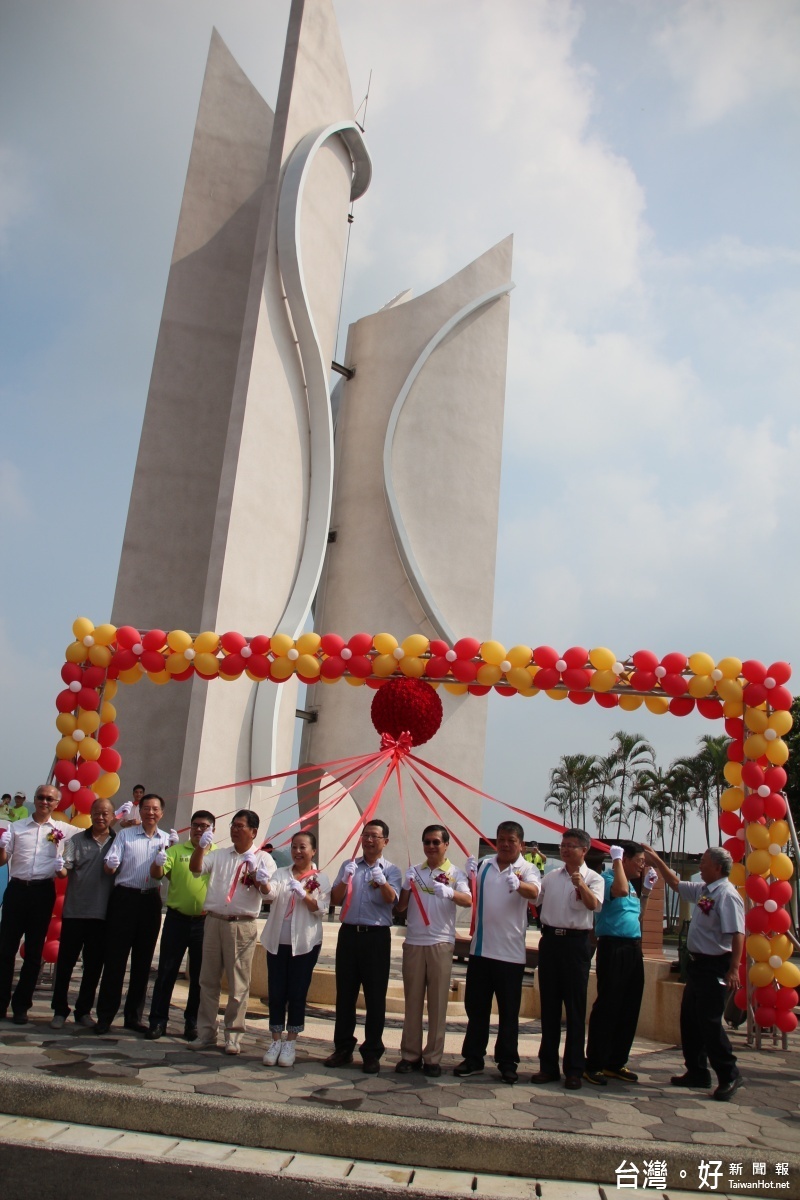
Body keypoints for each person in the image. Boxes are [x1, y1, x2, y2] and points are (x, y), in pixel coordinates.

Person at [643, 843, 745, 1102]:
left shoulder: (727, 895)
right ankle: (697, 1071)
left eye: (704, 863)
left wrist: (734, 968)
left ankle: (729, 1073)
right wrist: (657, 860)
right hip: (697, 965)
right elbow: (676, 884)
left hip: (716, 965)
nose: (700, 867)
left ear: (718, 868)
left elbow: (738, 934)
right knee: (690, 1019)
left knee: (710, 1022)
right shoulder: (704, 890)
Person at [454, 822, 541, 1085]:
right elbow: (466, 891)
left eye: (511, 840)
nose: (505, 844)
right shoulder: (484, 866)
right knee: (476, 1009)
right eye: (501, 839)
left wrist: (519, 884)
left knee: (508, 1013)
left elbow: (535, 894)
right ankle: (473, 1058)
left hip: (511, 955)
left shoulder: (528, 869)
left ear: (521, 845)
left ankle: (507, 1062)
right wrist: (466, 877)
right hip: (481, 950)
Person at [190, 809, 276, 1054]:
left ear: (253, 832)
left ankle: (234, 1035)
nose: (235, 830)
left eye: (240, 826)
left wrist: (258, 878)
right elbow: (196, 869)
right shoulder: (219, 855)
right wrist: (200, 848)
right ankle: (205, 1032)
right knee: (207, 980)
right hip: (214, 921)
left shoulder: (263, 859)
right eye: (233, 825)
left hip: (242, 925)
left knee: (238, 983)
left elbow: (268, 895)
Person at [324, 819, 402, 1074]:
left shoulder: (391, 870)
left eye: (374, 836)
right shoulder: (350, 866)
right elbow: (334, 900)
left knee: (375, 996)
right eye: (365, 835)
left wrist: (382, 882)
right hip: (349, 934)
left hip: (376, 937)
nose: (369, 840)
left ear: (385, 841)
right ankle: (343, 1048)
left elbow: (393, 902)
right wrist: (345, 880)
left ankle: (372, 1052)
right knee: (345, 994)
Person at [94, 793, 176, 1035]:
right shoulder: (125, 836)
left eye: (155, 809)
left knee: (142, 962)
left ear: (161, 813)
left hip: (150, 900)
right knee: (115, 960)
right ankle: (105, 1015)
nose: (150, 813)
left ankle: (133, 1016)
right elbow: (110, 866)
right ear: (139, 811)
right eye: (146, 808)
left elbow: (170, 872)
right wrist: (111, 863)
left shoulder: (166, 840)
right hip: (124, 899)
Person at [394, 825, 471, 1078]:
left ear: (446, 845)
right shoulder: (415, 871)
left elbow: (468, 900)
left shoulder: (456, 873)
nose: (431, 846)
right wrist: (406, 886)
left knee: (438, 1004)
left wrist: (450, 892)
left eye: (436, 842)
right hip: (415, 942)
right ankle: (410, 1054)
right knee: (412, 1002)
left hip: (441, 942)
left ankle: (433, 1057)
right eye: (427, 842)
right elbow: (401, 908)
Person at [532, 828, 604, 1090]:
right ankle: (547, 1066)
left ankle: (574, 1068)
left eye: (571, 846)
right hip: (551, 941)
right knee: (549, 1007)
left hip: (577, 944)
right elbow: (534, 897)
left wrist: (580, 884)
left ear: (584, 850)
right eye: (563, 845)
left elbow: (594, 905)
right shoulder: (550, 877)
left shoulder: (594, 878)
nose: (564, 850)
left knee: (575, 1008)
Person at [0, 784, 72, 1023]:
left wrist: (122, 820)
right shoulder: (17, 827)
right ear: (35, 799)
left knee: (33, 953)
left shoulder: (61, 829)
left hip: (42, 892)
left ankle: (21, 1005)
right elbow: (2, 861)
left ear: (56, 803)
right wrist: (1, 845)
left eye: (50, 799)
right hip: (17, 890)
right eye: (41, 797)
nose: (44, 802)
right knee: (5, 950)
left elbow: (94, 830)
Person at [260, 831, 331, 1067]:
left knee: (297, 993)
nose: (297, 852)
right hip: (276, 942)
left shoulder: (321, 879)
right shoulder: (280, 873)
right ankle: (275, 1039)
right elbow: (270, 895)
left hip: (304, 944)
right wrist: (261, 881)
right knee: (276, 992)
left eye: (302, 847)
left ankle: (291, 1041)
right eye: (294, 847)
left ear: (313, 851)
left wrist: (305, 896)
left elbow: (321, 909)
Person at [145, 809, 217, 1041]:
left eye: (205, 826)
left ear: (212, 830)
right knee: (166, 972)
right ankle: (157, 1021)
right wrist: (157, 863)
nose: (199, 830)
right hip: (177, 920)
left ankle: (192, 1023)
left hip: (205, 922)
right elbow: (157, 875)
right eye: (196, 825)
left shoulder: (218, 854)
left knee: (198, 976)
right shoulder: (175, 851)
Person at [50, 798, 117, 1029]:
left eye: (105, 813)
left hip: (102, 915)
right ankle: (59, 1010)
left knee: (93, 967)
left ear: (112, 815)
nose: (100, 817)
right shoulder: (75, 841)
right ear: (90, 814)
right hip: (75, 912)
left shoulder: (118, 842)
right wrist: (59, 867)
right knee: (66, 964)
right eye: (97, 813)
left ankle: (83, 1011)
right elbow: (64, 870)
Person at [583, 841, 646, 1086]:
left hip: (633, 948)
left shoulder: (631, 885)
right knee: (608, 1005)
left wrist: (647, 892)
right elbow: (617, 892)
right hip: (613, 947)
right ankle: (595, 1063)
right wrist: (616, 860)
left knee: (630, 1006)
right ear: (625, 859)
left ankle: (616, 1062)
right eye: (639, 860)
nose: (642, 866)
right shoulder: (609, 879)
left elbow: (636, 916)